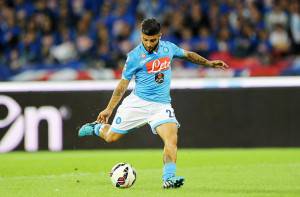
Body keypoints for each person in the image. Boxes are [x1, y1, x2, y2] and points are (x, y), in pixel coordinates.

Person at [78, 18, 229, 189]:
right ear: (141, 36)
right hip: (137, 104)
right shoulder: (134, 57)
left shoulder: (168, 48)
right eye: (145, 40)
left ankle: (168, 178)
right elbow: (123, 84)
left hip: (161, 106)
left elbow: (188, 55)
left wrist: (208, 63)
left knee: (171, 140)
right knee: (111, 137)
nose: (148, 44)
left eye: (152, 40)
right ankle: (96, 128)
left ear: (160, 36)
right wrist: (109, 109)